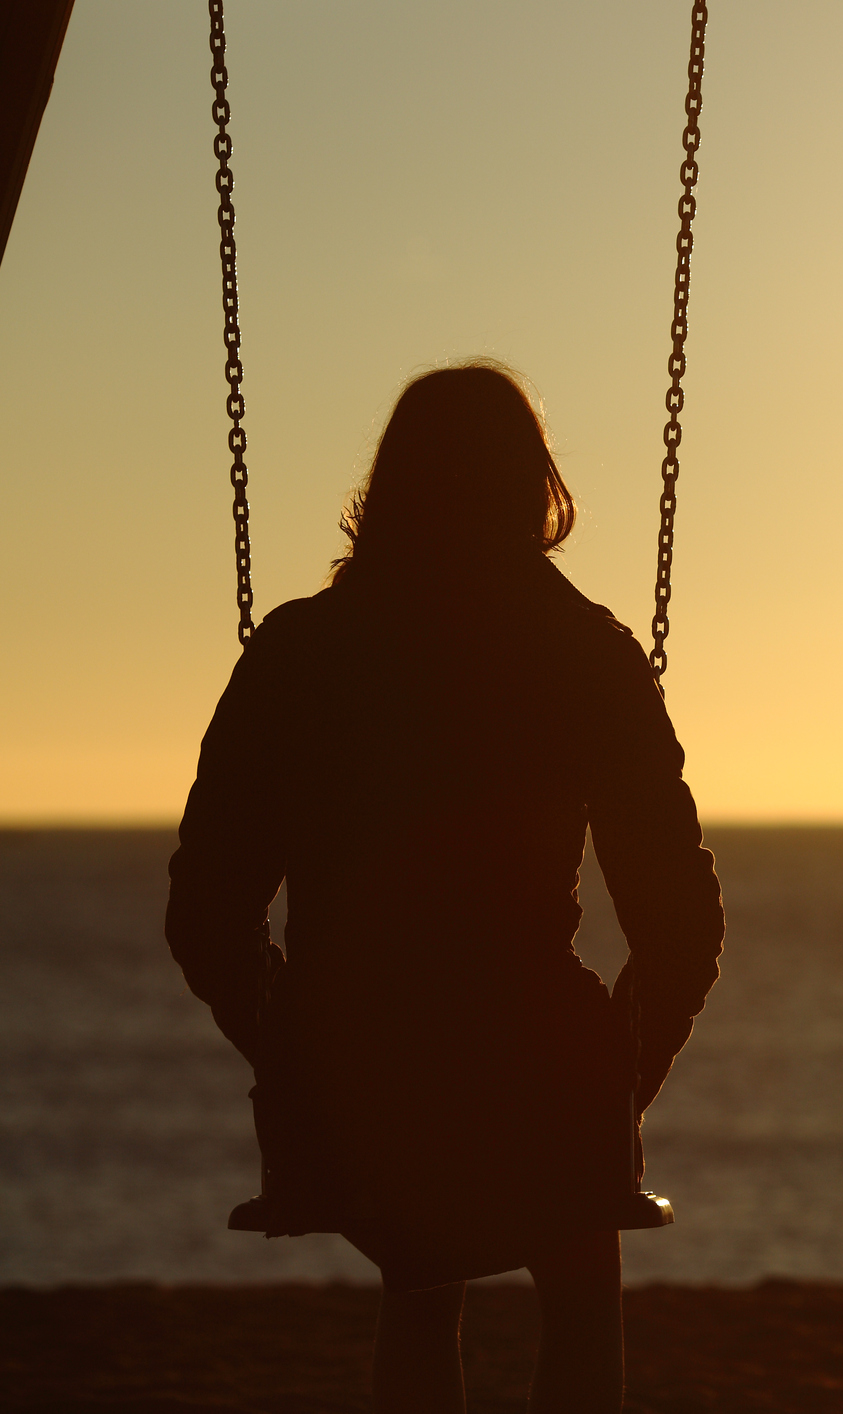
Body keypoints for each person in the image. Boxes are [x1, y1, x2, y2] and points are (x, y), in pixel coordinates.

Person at [165, 361, 724, 1413]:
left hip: (357, 1068)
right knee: (579, 1271)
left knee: (420, 1277)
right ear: (533, 491)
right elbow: (680, 921)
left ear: (392, 485)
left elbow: (206, 908)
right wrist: (621, 1073)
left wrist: (290, 1040)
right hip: (534, 1068)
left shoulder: (300, 651)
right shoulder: (583, 653)